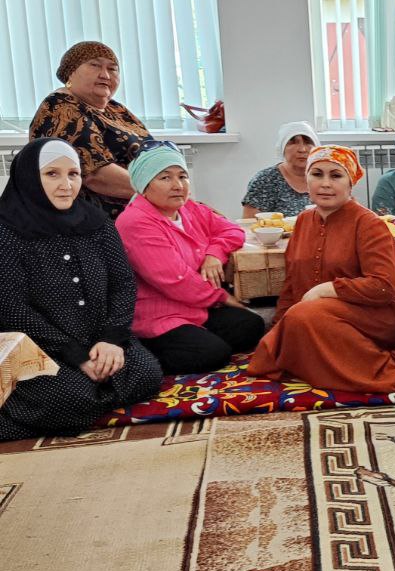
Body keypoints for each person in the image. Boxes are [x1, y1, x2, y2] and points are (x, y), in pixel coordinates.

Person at [0, 138, 162, 441]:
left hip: (98, 339)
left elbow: (122, 284)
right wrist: (76, 356)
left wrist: (111, 340)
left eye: (73, 174)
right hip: (37, 348)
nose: (66, 185)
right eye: (52, 174)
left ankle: (74, 408)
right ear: (28, 177)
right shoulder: (6, 231)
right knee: (68, 396)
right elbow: (12, 309)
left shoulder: (96, 222)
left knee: (147, 374)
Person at [246, 146, 395, 393]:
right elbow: (292, 284)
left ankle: (393, 361)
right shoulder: (303, 221)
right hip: (315, 315)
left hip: (376, 314)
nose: (325, 184)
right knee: (269, 355)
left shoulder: (369, 224)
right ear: (307, 180)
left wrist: (327, 289)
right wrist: (280, 327)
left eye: (336, 176)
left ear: (350, 183)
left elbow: (383, 287)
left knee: (304, 318)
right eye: (317, 174)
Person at [116, 143, 265, 375]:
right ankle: (141, 351)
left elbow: (233, 230)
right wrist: (222, 297)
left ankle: (197, 337)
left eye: (182, 176)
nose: (178, 185)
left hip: (196, 307)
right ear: (144, 185)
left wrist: (214, 253)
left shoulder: (189, 209)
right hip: (160, 313)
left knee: (251, 326)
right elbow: (175, 280)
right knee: (213, 354)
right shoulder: (135, 222)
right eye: (165, 178)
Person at [29, 41, 152, 219]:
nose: (105, 75)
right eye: (95, 65)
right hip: (95, 220)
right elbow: (96, 176)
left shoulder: (116, 109)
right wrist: (158, 190)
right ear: (70, 72)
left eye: (112, 69)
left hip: (145, 206)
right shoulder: (61, 107)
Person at [242, 121, 318, 217]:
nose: (302, 149)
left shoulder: (325, 177)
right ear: (282, 148)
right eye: (293, 143)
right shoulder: (265, 180)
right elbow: (249, 222)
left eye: (308, 142)